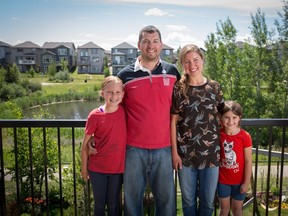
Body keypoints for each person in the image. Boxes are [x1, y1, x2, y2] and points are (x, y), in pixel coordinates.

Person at [117, 25, 180, 216]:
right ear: (139, 45)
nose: (150, 46)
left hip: (164, 148)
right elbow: (113, 110)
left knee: (167, 202)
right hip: (134, 149)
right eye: (146, 41)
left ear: (161, 45)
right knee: (132, 202)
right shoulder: (124, 76)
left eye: (154, 41)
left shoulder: (172, 71)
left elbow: (181, 108)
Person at [170, 44, 224, 215]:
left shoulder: (215, 87)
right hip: (185, 157)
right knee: (188, 202)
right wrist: (174, 153)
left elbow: (223, 119)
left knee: (208, 203)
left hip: (211, 155)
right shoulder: (178, 89)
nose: (192, 65)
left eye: (195, 60)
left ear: (202, 61)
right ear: (182, 64)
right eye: (186, 62)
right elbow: (172, 123)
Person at [80, 76, 126, 216]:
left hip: (117, 169)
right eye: (109, 92)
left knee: (113, 206)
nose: (114, 96)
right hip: (97, 168)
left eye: (118, 92)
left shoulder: (125, 111)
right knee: (99, 206)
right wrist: (84, 169)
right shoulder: (95, 115)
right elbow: (84, 145)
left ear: (123, 94)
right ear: (102, 93)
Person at [217, 100, 252, 216]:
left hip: (239, 182)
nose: (230, 121)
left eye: (234, 117)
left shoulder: (245, 137)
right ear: (221, 118)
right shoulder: (218, 135)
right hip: (222, 181)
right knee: (224, 210)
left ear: (239, 118)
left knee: (237, 211)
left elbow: (248, 161)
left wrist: (246, 182)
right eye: (226, 117)